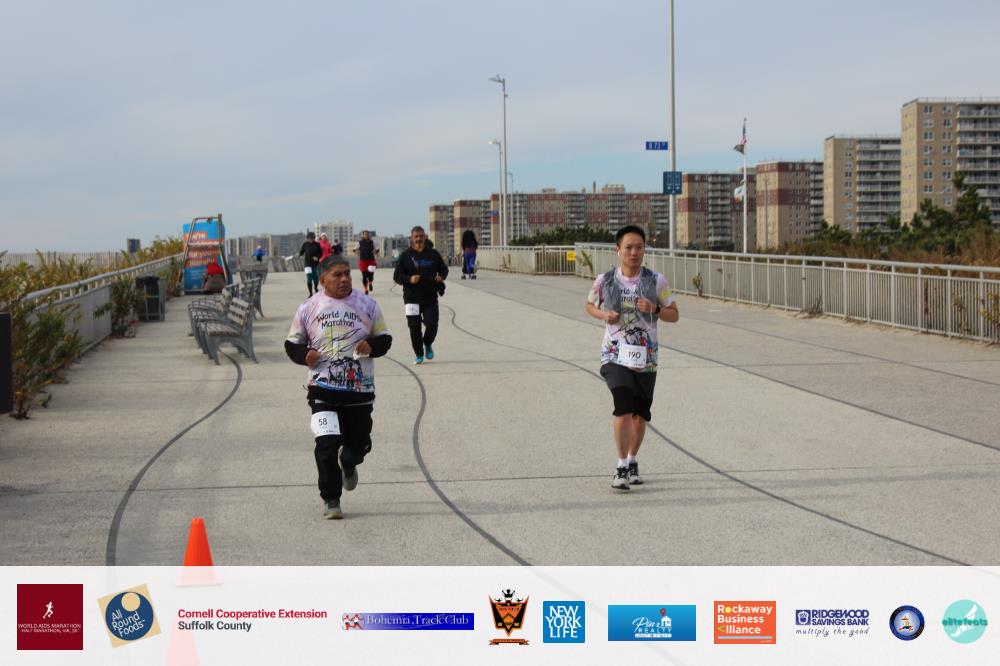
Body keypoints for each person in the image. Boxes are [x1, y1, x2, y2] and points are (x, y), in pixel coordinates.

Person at [284, 256, 393, 519]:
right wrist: (304, 355)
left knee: (359, 444)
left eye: (347, 274)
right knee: (326, 445)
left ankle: (349, 461)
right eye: (337, 275)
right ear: (322, 280)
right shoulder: (308, 307)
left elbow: (385, 339)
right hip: (322, 390)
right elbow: (291, 344)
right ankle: (331, 499)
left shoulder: (367, 304)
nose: (344, 279)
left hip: (359, 392)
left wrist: (372, 346)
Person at [585, 225, 679, 491]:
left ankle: (632, 458)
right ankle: (621, 466)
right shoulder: (605, 280)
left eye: (639, 247)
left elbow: (674, 314)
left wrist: (655, 309)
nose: (634, 252)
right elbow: (589, 305)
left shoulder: (656, 281)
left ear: (644, 250)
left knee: (639, 415)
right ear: (618, 250)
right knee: (623, 408)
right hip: (614, 354)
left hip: (645, 358)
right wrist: (604, 314)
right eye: (628, 247)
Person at [393, 226, 448, 364]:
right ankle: (418, 354)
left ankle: (427, 342)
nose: (419, 239)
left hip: (430, 297)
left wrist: (441, 276)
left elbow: (444, 269)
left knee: (432, 324)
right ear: (411, 238)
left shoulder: (433, 254)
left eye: (421, 236)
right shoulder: (405, 256)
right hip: (411, 298)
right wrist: (409, 279)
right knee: (414, 327)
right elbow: (397, 276)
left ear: (425, 237)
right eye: (416, 236)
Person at [299, 232, 323, 297]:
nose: (311, 239)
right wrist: (300, 254)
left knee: (315, 278)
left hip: (315, 264)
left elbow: (321, 253)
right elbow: (301, 252)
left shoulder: (317, 244)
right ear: (307, 238)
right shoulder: (305, 244)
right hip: (307, 264)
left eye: (312, 238)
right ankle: (310, 293)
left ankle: (315, 287)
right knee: (309, 277)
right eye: (310, 238)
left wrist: (317, 257)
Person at [355, 230, 379, 294]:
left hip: (371, 261)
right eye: (365, 234)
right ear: (363, 235)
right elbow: (354, 249)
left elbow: (377, 249)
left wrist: (375, 252)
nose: (366, 235)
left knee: (371, 275)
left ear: (369, 235)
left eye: (367, 234)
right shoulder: (359, 242)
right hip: (363, 261)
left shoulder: (372, 242)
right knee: (364, 276)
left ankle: (370, 283)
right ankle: (366, 289)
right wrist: (357, 252)